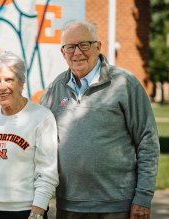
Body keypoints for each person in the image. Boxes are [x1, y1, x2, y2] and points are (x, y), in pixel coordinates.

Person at [40, 20, 160, 219]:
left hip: (117, 205)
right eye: (70, 47)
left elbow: (147, 142)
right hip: (69, 205)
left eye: (84, 45)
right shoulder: (55, 88)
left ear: (98, 46)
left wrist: (143, 197)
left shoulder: (124, 83)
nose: (77, 52)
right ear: (63, 52)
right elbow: (38, 139)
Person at [0, 51, 59, 219]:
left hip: (28, 211)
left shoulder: (42, 117)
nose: (2, 86)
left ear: (21, 84)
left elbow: (48, 171)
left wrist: (37, 212)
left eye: (9, 80)